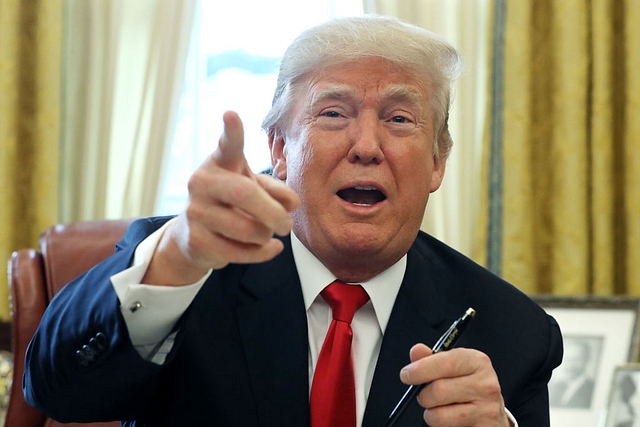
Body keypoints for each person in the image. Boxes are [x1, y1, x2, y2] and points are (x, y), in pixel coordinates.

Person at [23, 15, 563, 427]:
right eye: (333, 113)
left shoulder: (512, 332)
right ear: (279, 148)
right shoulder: (183, 269)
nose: (367, 146)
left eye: (400, 119)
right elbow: (57, 393)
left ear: (438, 163)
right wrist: (177, 258)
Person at [548, 338, 596, 408]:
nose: (571, 364)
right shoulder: (556, 386)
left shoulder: (591, 388)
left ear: (586, 361)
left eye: (576, 359)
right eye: (568, 359)